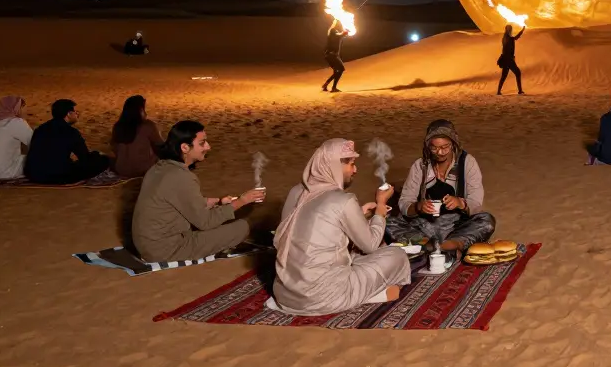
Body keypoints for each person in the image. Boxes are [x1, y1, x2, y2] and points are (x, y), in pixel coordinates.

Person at [271, 138, 412, 315]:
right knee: (397, 255)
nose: (355, 169)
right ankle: (371, 295)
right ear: (334, 166)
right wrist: (381, 208)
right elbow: (370, 245)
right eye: (351, 164)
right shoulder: (344, 200)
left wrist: (358, 214)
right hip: (324, 297)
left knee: (352, 253)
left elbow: (317, 227)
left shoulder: (296, 191)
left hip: (285, 295)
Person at [131, 120, 264, 262]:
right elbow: (205, 223)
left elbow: (174, 203)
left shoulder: (159, 167)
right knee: (242, 227)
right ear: (184, 147)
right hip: (166, 249)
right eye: (202, 143)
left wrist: (215, 202)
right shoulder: (181, 177)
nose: (208, 146)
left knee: (221, 220)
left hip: (147, 244)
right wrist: (241, 201)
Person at [387, 120, 496, 257]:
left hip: (457, 225)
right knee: (388, 222)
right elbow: (404, 202)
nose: (440, 152)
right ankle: (430, 245)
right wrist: (418, 207)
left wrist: (460, 203)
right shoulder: (420, 166)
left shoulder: (467, 163)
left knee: (486, 221)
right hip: (425, 226)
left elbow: (476, 203)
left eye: (445, 147)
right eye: (434, 148)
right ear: (428, 146)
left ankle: (448, 246)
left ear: (454, 144)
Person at [24, 99, 112, 184]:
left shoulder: (40, 129)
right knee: (103, 160)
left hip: (34, 175)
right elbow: (84, 157)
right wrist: (96, 154)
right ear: (69, 114)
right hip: (57, 176)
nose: (77, 114)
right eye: (75, 111)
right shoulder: (71, 132)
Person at [110, 94, 164, 178]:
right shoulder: (147, 125)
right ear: (140, 110)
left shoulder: (118, 126)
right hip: (142, 170)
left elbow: (114, 148)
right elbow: (161, 146)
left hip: (121, 169)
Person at [0, 96, 32, 179]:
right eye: (22, 107)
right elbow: (36, 143)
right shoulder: (15, 122)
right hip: (3, 174)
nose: (25, 111)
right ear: (16, 108)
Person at [497, 23, 526, 95]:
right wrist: (522, 30)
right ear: (507, 30)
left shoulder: (506, 37)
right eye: (509, 29)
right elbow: (516, 37)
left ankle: (498, 91)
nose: (510, 30)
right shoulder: (508, 38)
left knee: (504, 75)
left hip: (507, 59)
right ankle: (520, 91)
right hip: (508, 59)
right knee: (517, 72)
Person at [321, 20, 349, 93]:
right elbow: (338, 35)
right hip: (331, 55)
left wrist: (345, 33)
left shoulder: (334, 31)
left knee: (336, 71)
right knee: (341, 69)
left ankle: (327, 85)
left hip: (332, 55)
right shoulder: (333, 31)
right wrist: (344, 33)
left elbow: (340, 36)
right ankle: (333, 87)